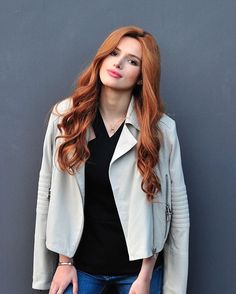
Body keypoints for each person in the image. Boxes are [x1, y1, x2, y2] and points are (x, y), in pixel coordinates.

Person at [32, 25, 190, 294]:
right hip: (78, 266)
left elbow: (175, 210)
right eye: (114, 53)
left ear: (141, 76)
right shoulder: (65, 118)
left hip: (138, 273)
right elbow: (48, 195)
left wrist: (147, 277)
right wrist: (62, 262)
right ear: (102, 57)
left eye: (132, 61)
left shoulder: (161, 130)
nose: (118, 63)